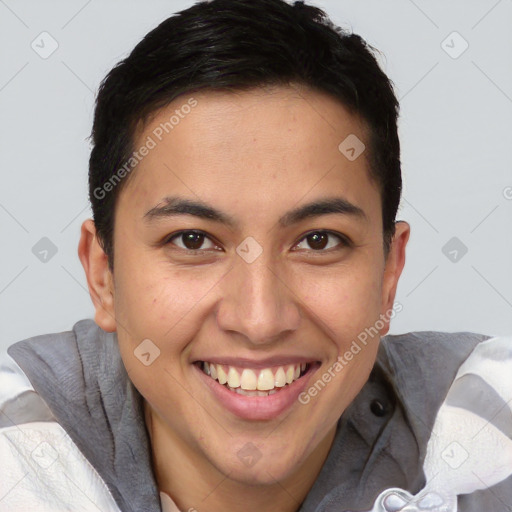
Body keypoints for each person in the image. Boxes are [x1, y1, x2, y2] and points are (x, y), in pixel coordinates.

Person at [1, 0, 511, 511]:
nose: (259, 320)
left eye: (318, 241)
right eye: (193, 240)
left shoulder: (488, 435)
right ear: (103, 275)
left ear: (388, 274)